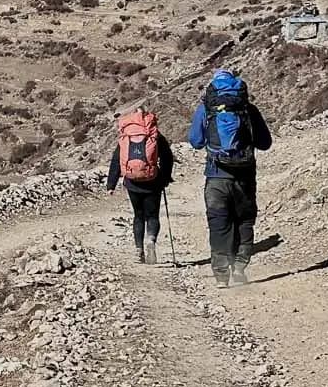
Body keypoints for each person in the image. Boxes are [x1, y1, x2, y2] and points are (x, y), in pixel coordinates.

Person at [187, 69, 272, 288]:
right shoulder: (248, 109)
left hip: (216, 176)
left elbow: (195, 141)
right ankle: (240, 268)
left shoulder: (206, 109)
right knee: (243, 220)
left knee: (219, 224)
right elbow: (265, 143)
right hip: (244, 177)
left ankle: (221, 275)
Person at [106, 107, 176, 263]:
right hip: (153, 182)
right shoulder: (154, 135)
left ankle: (139, 250)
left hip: (132, 182)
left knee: (138, 216)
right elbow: (167, 158)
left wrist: (111, 184)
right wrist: (165, 177)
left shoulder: (126, 136)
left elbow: (117, 160)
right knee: (152, 215)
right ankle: (151, 239)